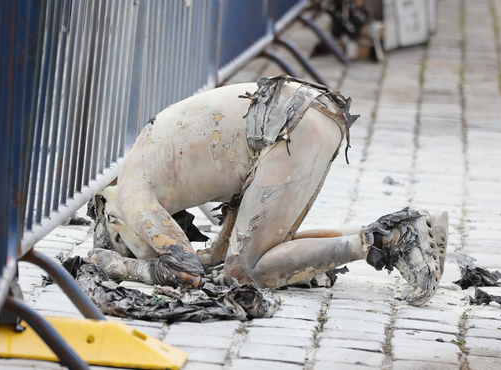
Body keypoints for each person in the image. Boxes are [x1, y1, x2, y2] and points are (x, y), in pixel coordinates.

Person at [89, 76, 448, 306]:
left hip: (283, 127)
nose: (149, 243)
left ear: (112, 219)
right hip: (305, 114)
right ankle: (403, 231)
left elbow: (182, 270)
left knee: (246, 270)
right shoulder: (153, 162)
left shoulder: (129, 193)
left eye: (125, 241)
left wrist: (117, 264)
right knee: (269, 249)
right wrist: (211, 256)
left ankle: (390, 239)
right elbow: (217, 250)